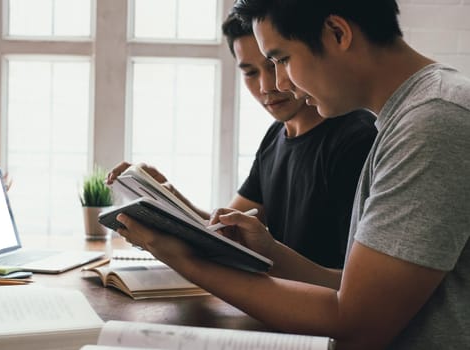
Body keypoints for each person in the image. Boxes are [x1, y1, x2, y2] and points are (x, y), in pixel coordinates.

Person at [113, 1, 470, 349]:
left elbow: (357, 325)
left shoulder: (433, 122)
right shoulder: (412, 117)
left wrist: (184, 260)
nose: (280, 83)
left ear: (336, 32)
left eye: (282, 59)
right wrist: (273, 254)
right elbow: (353, 292)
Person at [107, 12, 376, 269]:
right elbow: (223, 226)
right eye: (250, 72)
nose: (267, 86)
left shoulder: (355, 139)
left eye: (276, 63)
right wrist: (165, 196)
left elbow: (353, 289)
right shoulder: (275, 135)